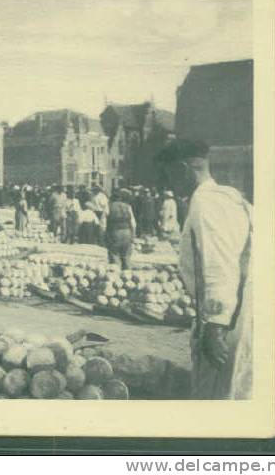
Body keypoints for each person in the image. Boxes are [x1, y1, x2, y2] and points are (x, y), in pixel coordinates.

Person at [156, 138, 252, 400]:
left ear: (183, 169)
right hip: (238, 311)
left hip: (225, 323)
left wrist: (215, 328)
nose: (170, 184)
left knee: (216, 397)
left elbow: (218, 265)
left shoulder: (206, 205)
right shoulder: (231, 199)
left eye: (170, 175)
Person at [105, 188, 137, 269]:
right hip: (127, 232)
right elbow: (133, 223)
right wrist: (133, 235)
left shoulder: (109, 206)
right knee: (126, 256)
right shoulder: (127, 207)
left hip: (114, 232)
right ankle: (127, 274)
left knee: (114, 254)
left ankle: (116, 275)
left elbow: (103, 223)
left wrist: (103, 235)